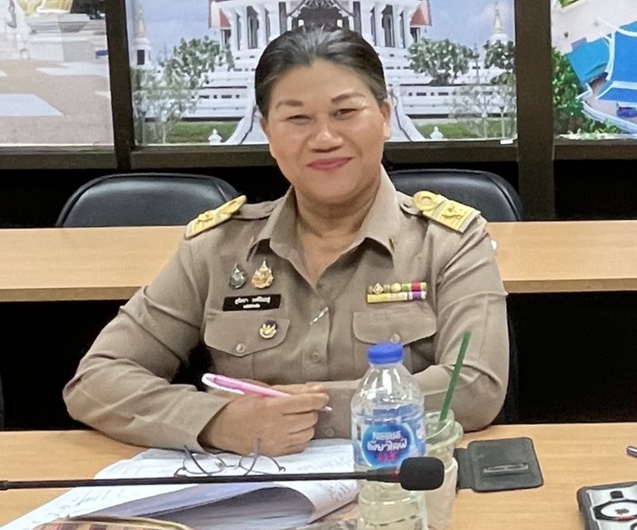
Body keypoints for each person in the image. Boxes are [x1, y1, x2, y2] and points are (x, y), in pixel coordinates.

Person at [65, 27, 508, 454]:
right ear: (268, 134)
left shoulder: (448, 242)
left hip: (399, 483)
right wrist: (218, 421)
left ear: (385, 117)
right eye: (298, 118)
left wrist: (301, 414)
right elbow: (98, 378)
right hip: (249, 490)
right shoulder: (218, 248)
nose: (325, 138)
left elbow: (474, 388)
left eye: (345, 112)